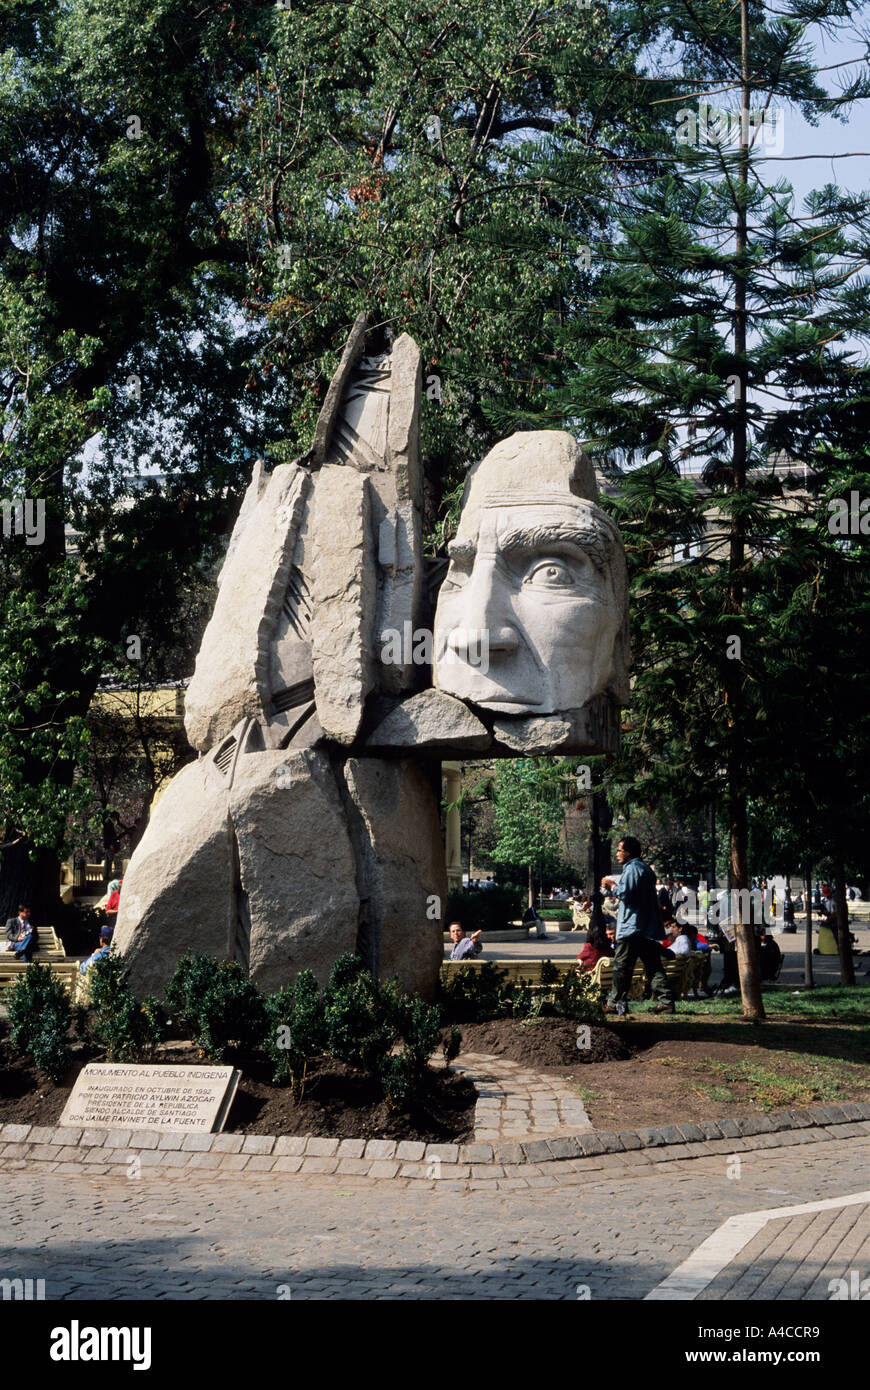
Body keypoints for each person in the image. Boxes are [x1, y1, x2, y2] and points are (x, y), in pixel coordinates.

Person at [601, 835, 675, 1016]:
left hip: (631, 928)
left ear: (628, 852)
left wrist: (611, 886)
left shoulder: (633, 868)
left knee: (622, 966)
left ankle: (614, 1002)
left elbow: (626, 894)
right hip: (644, 927)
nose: (617, 853)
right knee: (653, 965)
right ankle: (666, 1002)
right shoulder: (644, 869)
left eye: (619, 850)